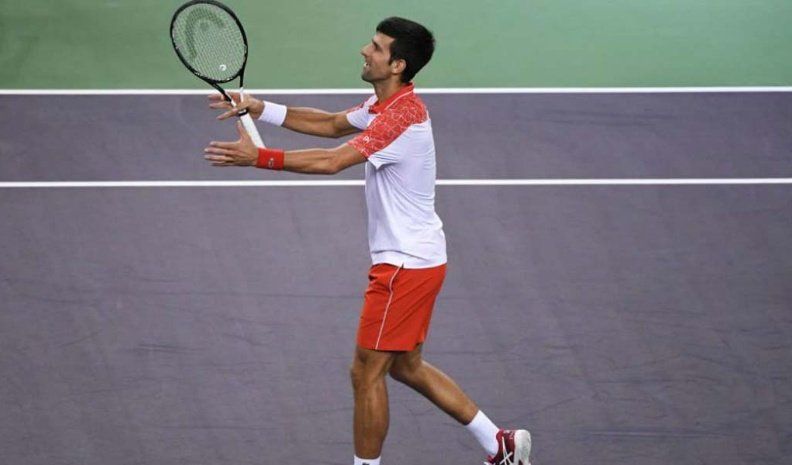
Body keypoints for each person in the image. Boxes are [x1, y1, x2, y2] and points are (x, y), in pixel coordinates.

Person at [203, 16, 532, 465]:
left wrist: (259, 158)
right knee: (405, 366)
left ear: (397, 65)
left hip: (404, 267)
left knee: (365, 372)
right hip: (420, 260)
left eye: (376, 47)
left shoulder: (401, 120)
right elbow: (332, 124)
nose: (364, 50)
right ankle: (499, 443)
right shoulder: (388, 105)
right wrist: (260, 108)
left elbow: (331, 161)